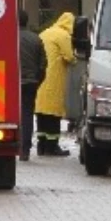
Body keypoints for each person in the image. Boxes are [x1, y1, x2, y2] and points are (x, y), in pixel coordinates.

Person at [34, 12, 76, 157]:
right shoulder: (63, 35)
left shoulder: (45, 33)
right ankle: (52, 147)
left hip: (40, 78)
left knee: (41, 113)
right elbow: (70, 57)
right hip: (54, 79)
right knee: (53, 113)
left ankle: (41, 146)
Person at [18, 9, 47, 162]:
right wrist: (38, 80)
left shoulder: (8, 37)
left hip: (10, 83)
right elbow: (44, 64)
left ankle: (9, 146)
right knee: (27, 114)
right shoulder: (36, 39)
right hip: (30, 82)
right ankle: (25, 150)